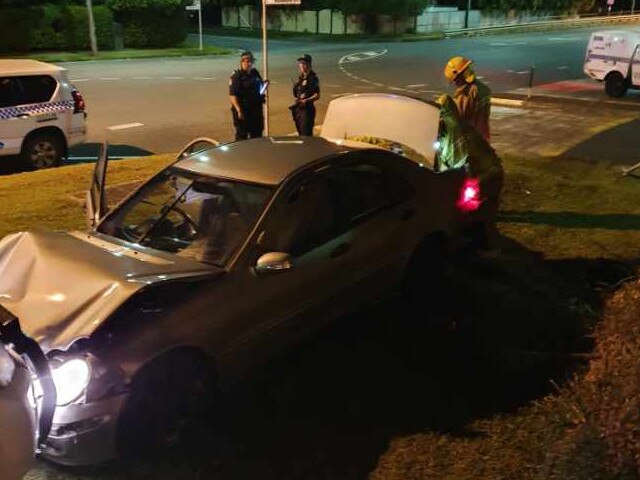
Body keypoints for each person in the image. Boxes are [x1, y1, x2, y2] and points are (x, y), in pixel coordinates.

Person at [437, 94, 503, 255]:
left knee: (472, 207)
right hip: (484, 172)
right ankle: (479, 244)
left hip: (487, 175)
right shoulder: (451, 127)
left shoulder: (455, 132)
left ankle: (487, 250)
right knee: (471, 208)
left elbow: (457, 166)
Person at [444, 56, 492, 142]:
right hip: (483, 135)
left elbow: (459, 116)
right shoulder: (482, 87)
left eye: (455, 79)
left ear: (461, 75)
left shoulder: (467, 92)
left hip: (471, 139)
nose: (455, 83)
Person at [229, 51, 268, 141]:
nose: (250, 63)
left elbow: (260, 90)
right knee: (242, 137)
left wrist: (264, 86)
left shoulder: (255, 73)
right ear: (242, 62)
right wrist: (238, 110)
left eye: (251, 61)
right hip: (243, 111)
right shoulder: (237, 76)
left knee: (257, 135)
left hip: (256, 110)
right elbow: (232, 95)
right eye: (247, 61)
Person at [290, 54, 320, 136]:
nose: (301, 65)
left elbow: (317, 95)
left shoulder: (312, 78)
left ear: (309, 64)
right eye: (300, 63)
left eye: (304, 63)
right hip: (299, 109)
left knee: (306, 136)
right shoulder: (302, 76)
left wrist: (306, 100)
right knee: (301, 135)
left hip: (307, 110)